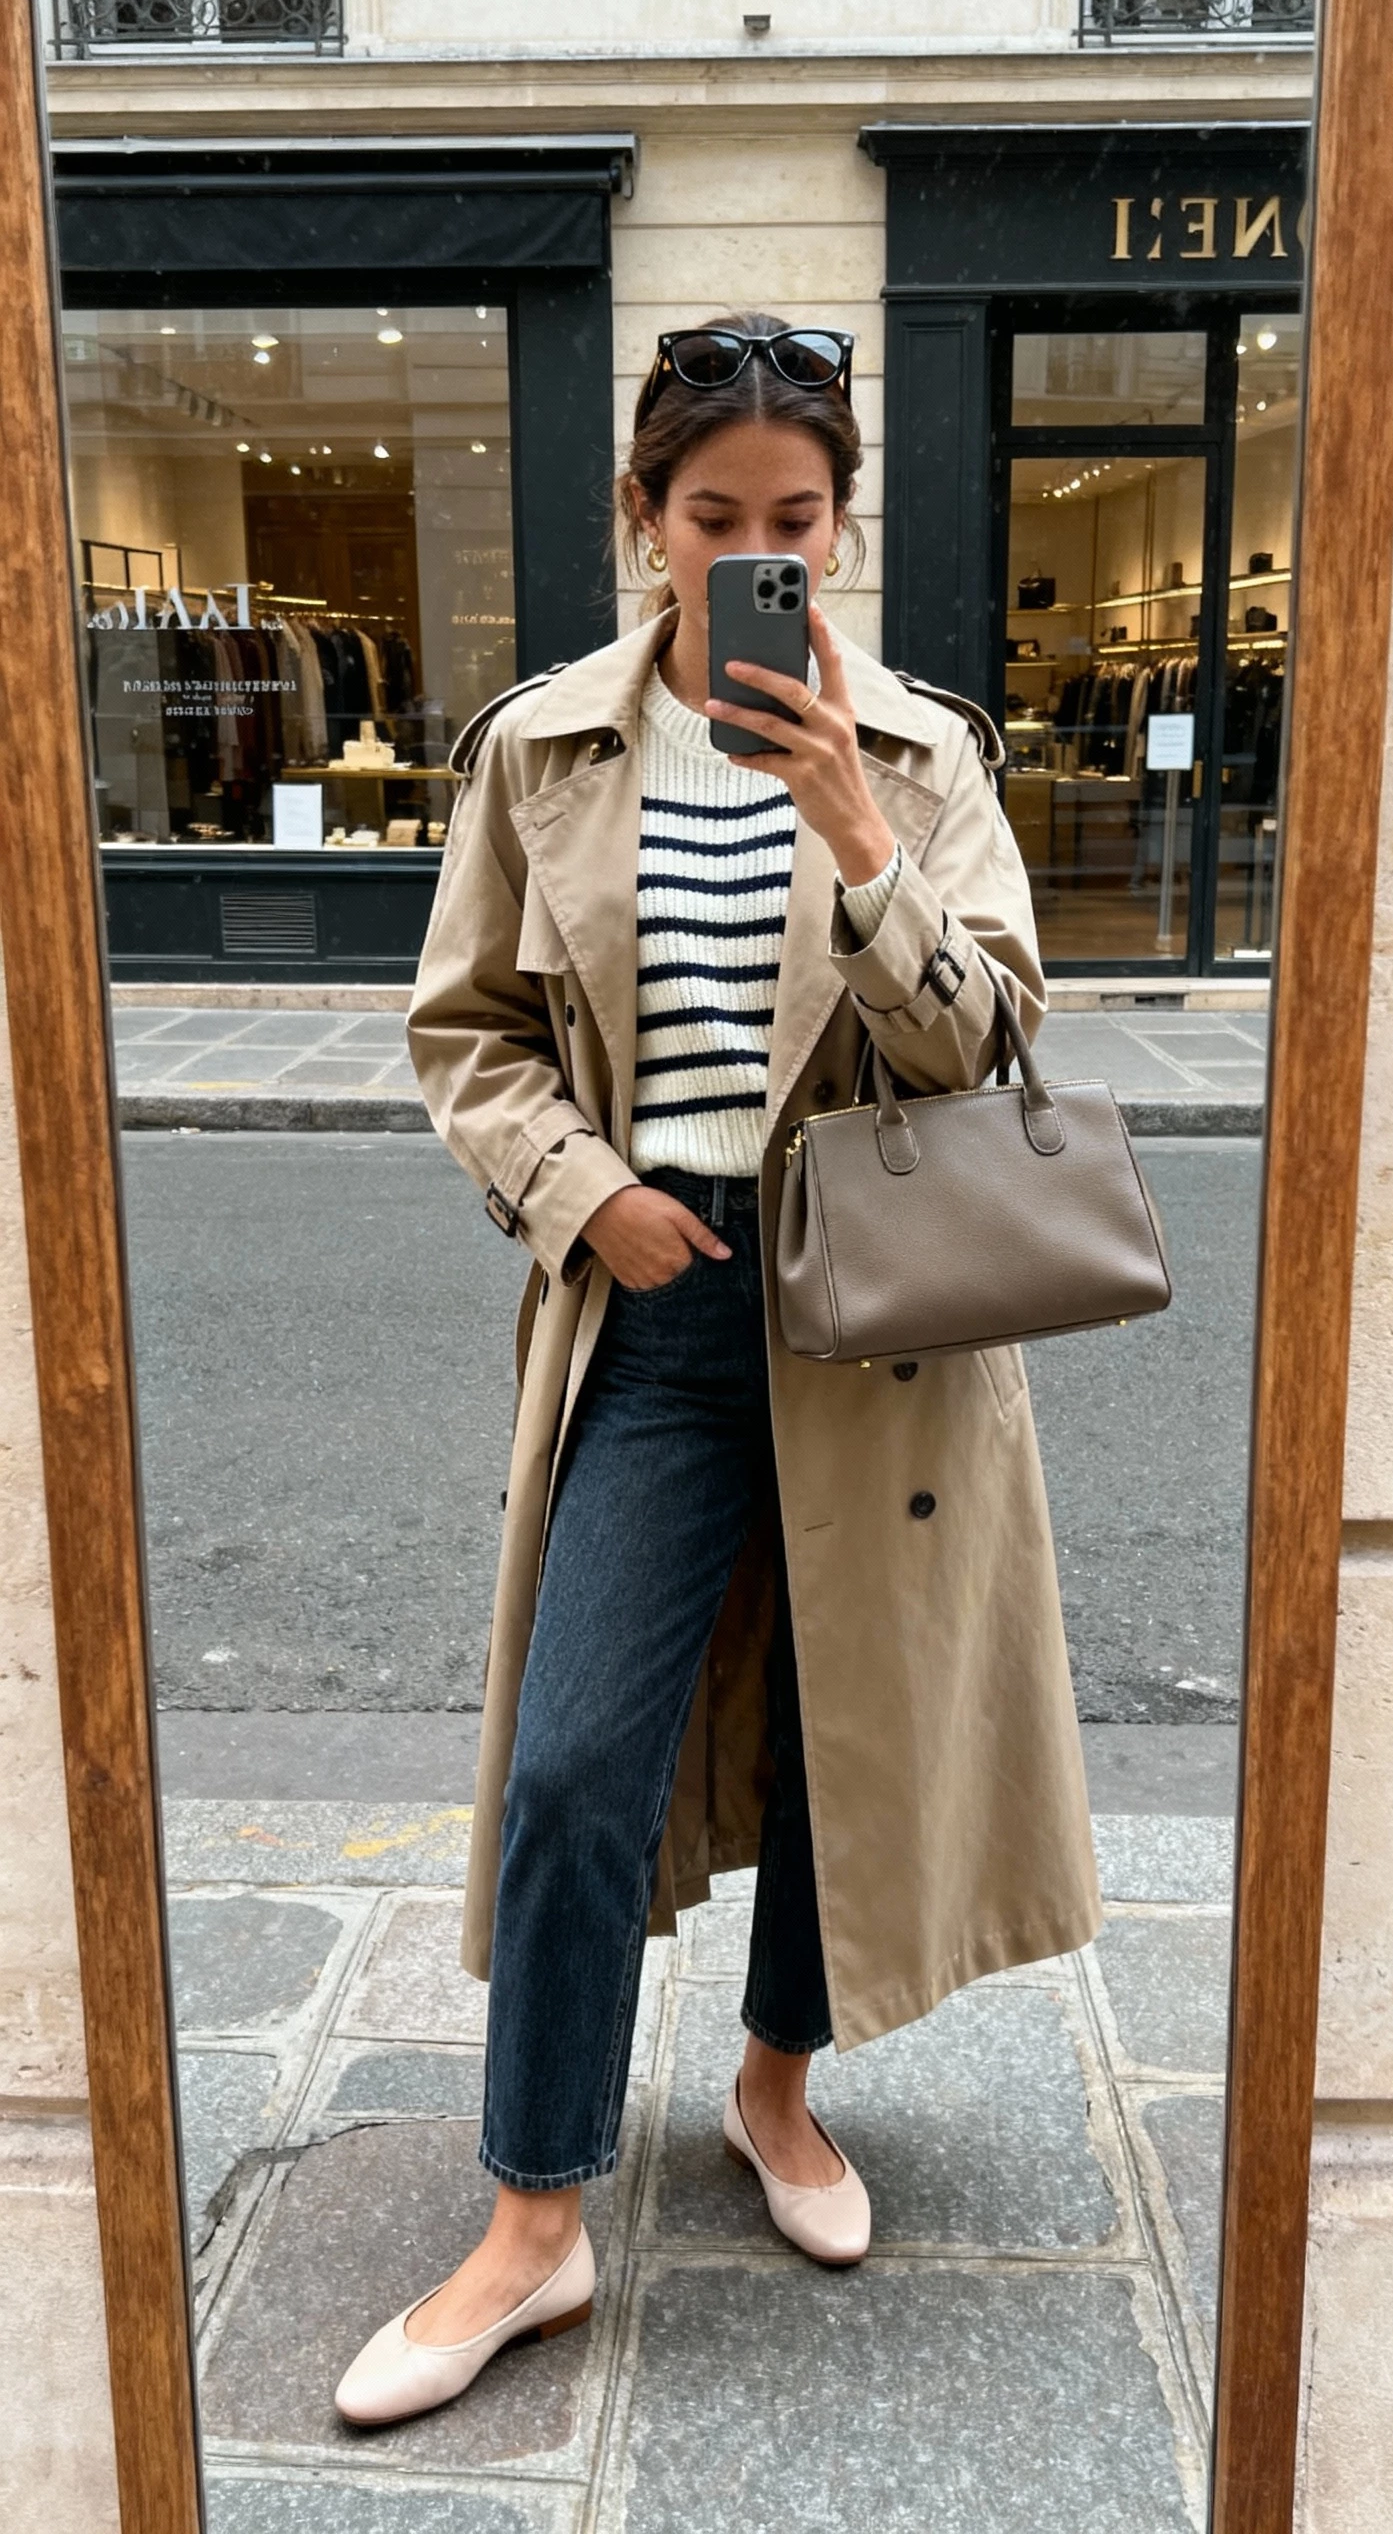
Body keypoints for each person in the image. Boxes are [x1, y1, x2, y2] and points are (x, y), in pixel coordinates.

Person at [335, 313, 1100, 2427]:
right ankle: (532, 2218)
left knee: (837, 1760)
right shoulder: (537, 750)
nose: (755, 549)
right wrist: (583, 1189)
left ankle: (778, 2090)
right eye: (714, 517)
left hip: (880, 1331)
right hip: (658, 1315)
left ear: (840, 528)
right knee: (575, 1765)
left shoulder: (927, 757)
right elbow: (464, 1029)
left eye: (797, 518)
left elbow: (994, 1047)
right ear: (646, 521)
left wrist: (858, 832)